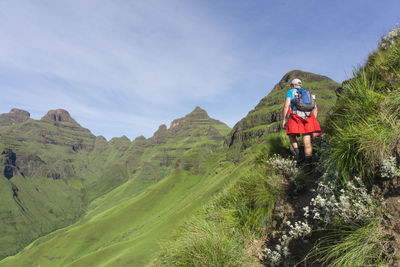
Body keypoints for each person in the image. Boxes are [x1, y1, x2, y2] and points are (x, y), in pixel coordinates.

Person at [282, 78, 321, 165]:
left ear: (292, 85)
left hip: (295, 118)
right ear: (300, 85)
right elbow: (315, 108)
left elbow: (286, 106)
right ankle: (308, 165)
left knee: (291, 135)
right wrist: (312, 119)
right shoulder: (308, 93)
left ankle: (299, 155)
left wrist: (284, 119)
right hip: (308, 119)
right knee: (307, 142)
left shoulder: (291, 92)